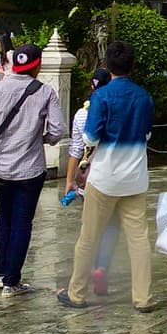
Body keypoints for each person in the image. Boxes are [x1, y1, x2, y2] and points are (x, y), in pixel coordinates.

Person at [59, 40, 157, 312]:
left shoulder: (101, 97)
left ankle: (76, 293)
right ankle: (143, 298)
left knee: (88, 237)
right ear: (132, 65)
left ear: (108, 66)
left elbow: (90, 136)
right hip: (135, 178)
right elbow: (147, 134)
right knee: (139, 240)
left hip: (104, 178)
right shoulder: (144, 97)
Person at [0, 43, 65, 296]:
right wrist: (41, 138)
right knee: (22, 222)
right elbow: (58, 130)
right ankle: (12, 281)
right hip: (30, 169)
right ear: (38, 65)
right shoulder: (45, 93)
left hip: (0, 168)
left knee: (4, 217)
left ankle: (1, 274)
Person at [63, 68, 117, 297]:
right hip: (112, 175)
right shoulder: (116, 109)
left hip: (87, 177)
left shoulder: (81, 114)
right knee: (111, 226)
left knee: (89, 227)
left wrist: (69, 181)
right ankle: (101, 267)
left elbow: (76, 149)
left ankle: (81, 280)